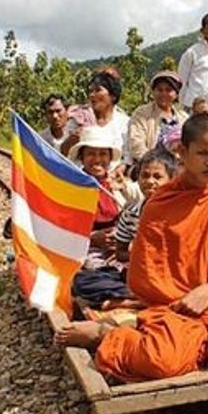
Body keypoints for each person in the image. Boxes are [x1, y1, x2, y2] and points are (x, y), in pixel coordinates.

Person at [55, 115, 208, 381]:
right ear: (182, 152)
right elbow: (146, 275)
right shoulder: (160, 204)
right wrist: (181, 300)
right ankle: (108, 335)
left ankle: (187, 344)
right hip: (171, 308)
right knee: (161, 361)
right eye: (202, 153)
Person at [68, 126, 138, 305]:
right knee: (86, 278)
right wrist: (92, 238)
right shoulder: (71, 187)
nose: (97, 160)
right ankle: (126, 295)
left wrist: (123, 241)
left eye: (102, 154)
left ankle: (122, 295)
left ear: (109, 158)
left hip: (122, 251)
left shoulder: (122, 185)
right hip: (88, 251)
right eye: (91, 154)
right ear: (82, 157)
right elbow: (63, 231)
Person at [114, 148, 178, 264]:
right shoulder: (130, 213)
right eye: (145, 175)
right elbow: (120, 252)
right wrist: (142, 256)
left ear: (172, 180)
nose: (150, 181)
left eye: (157, 177)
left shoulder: (178, 215)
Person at [60, 67, 131, 162]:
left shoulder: (125, 124)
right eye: (91, 91)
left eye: (98, 90)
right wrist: (71, 140)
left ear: (113, 96)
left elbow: (128, 156)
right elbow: (61, 153)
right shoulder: (78, 119)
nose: (92, 95)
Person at [127, 70, 188, 162]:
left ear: (176, 94)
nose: (163, 94)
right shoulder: (142, 114)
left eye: (168, 90)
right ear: (153, 92)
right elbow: (136, 144)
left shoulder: (183, 117)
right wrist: (154, 162)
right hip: (149, 164)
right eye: (159, 90)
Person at [177, 13, 208, 114]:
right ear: (202, 30)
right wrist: (182, 107)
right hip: (193, 105)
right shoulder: (192, 53)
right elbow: (181, 81)